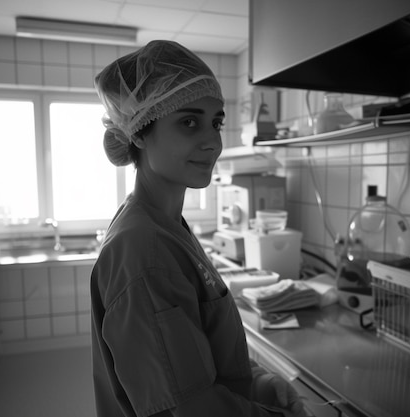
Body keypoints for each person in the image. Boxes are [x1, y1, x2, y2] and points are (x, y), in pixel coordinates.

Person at [91, 40, 309, 417]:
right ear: (139, 132)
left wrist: (256, 381)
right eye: (189, 122)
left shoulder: (168, 227)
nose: (212, 142)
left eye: (216, 122)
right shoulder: (143, 250)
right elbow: (190, 409)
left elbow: (195, 357)